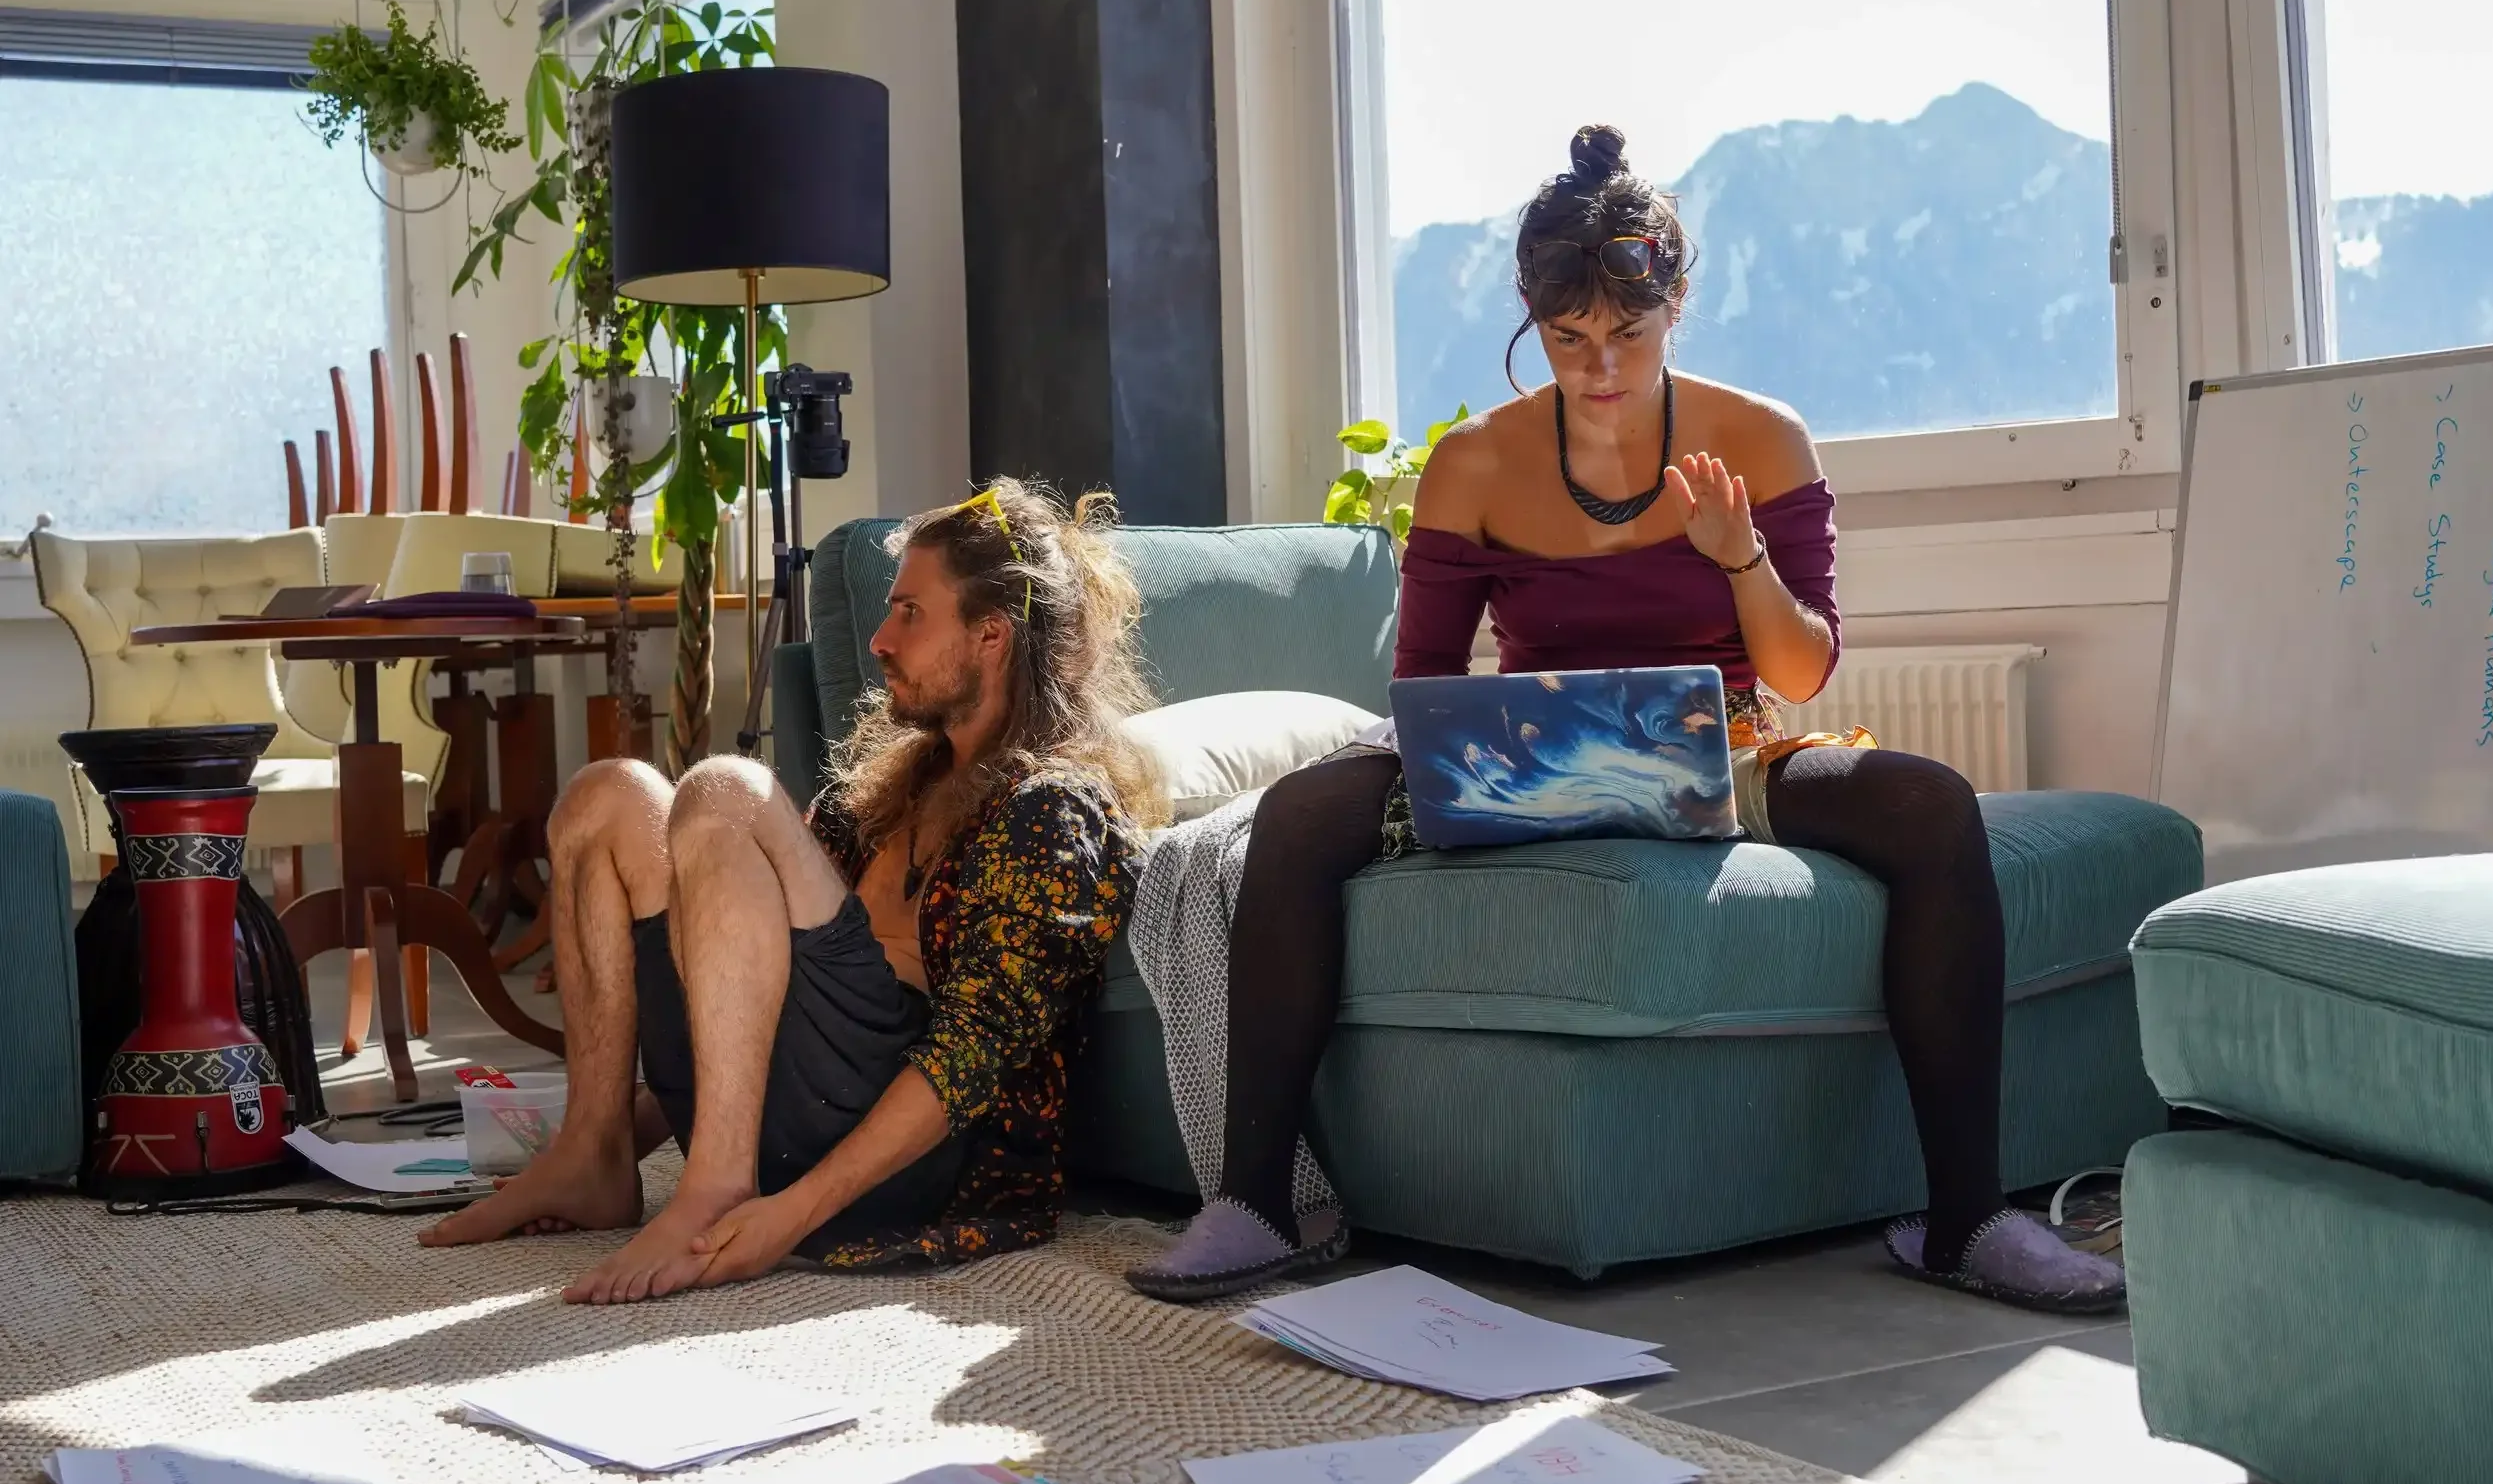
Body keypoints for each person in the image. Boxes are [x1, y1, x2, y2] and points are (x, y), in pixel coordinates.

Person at [1128, 125, 2126, 1314]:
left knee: (1928, 804)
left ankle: (1968, 1217)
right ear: (1531, 317)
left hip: (1726, 745)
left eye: (1627, 334)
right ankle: (1251, 1203)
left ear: (1677, 303)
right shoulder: (1474, 464)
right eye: (1567, 339)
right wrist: (1455, 755)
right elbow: (1424, 680)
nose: (1598, 368)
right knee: (1296, 813)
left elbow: (1803, 673)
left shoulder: (1759, 438)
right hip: (1521, 760)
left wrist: (1739, 553)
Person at [421, 481, 1160, 1303]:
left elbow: (972, 1058)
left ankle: (717, 1189)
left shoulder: (1051, 812)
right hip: (784, 1107)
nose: (880, 640)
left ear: (991, 635)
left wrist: (793, 1214)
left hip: (904, 1161)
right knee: (609, 795)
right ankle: (592, 1155)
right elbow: (737, 976)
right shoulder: (880, 793)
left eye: (911, 613)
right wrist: (637, 1118)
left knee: (725, 790)